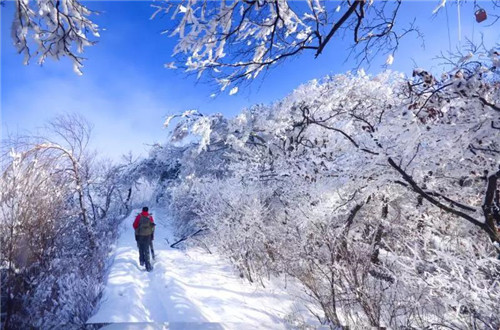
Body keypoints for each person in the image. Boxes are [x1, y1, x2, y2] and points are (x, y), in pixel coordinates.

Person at [133, 207, 155, 271]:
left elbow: (134, 225)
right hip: (148, 236)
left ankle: (142, 261)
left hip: (140, 236)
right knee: (146, 250)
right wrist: (152, 235)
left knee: (141, 248)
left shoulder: (139, 216)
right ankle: (148, 266)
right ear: (148, 211)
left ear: (142, 210)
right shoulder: (149, 217)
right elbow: (152, 227)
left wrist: (138, 230)